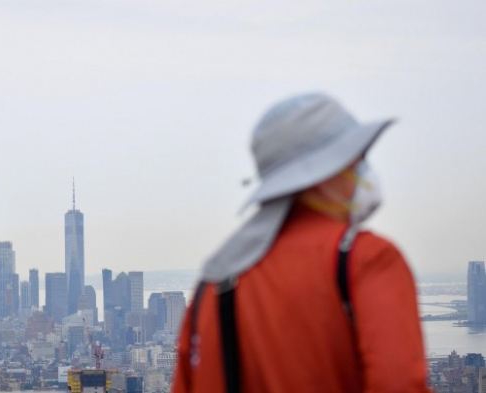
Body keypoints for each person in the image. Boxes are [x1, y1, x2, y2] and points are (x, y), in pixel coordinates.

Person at [172, 93, 429, 393]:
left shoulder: (213, 283)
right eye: (355, 160)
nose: (362, 173)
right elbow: (398, 383)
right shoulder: (366, 258)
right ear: (324, 174)